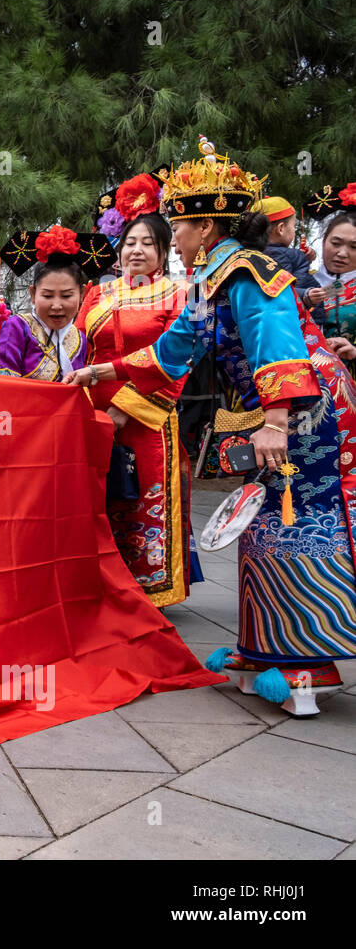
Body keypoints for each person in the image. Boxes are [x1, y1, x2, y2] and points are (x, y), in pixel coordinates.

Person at [65, 139, 356, 716]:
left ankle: (307, 659)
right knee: (259, 516)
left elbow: (277, 343)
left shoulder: (249, 271)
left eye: (178, 224)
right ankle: (262, 646)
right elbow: (176, 349)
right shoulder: (211, 279)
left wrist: (275, 421)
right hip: (279, 409)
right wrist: (111, 367)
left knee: (293, 517)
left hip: (304, 411)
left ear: (204, 225)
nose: (172, 235)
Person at [77, 172, 192, 607]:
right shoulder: (97, 293)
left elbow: (180, 360)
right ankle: (100, 581)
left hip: (147, 413)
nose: (136, 250)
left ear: (163, 251)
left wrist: (126, 409)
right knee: (99, 498)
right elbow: (79, 351)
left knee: (144, 496)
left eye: (148, 243)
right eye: (130, 242)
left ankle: (149, 588)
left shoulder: (178, 293)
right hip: (92, 410)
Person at [0, 226, 112, 380]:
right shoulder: (17, 328)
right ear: (33, 294)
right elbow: (4, 383)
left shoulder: (80, 338)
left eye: (66, 296)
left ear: (82, 294)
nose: (57, 305)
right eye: (47, 295)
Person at [301, 184, 356, 346]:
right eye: (336, 243)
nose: (342, 253)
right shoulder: (301, 282)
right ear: (324, 242)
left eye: (354, 247)